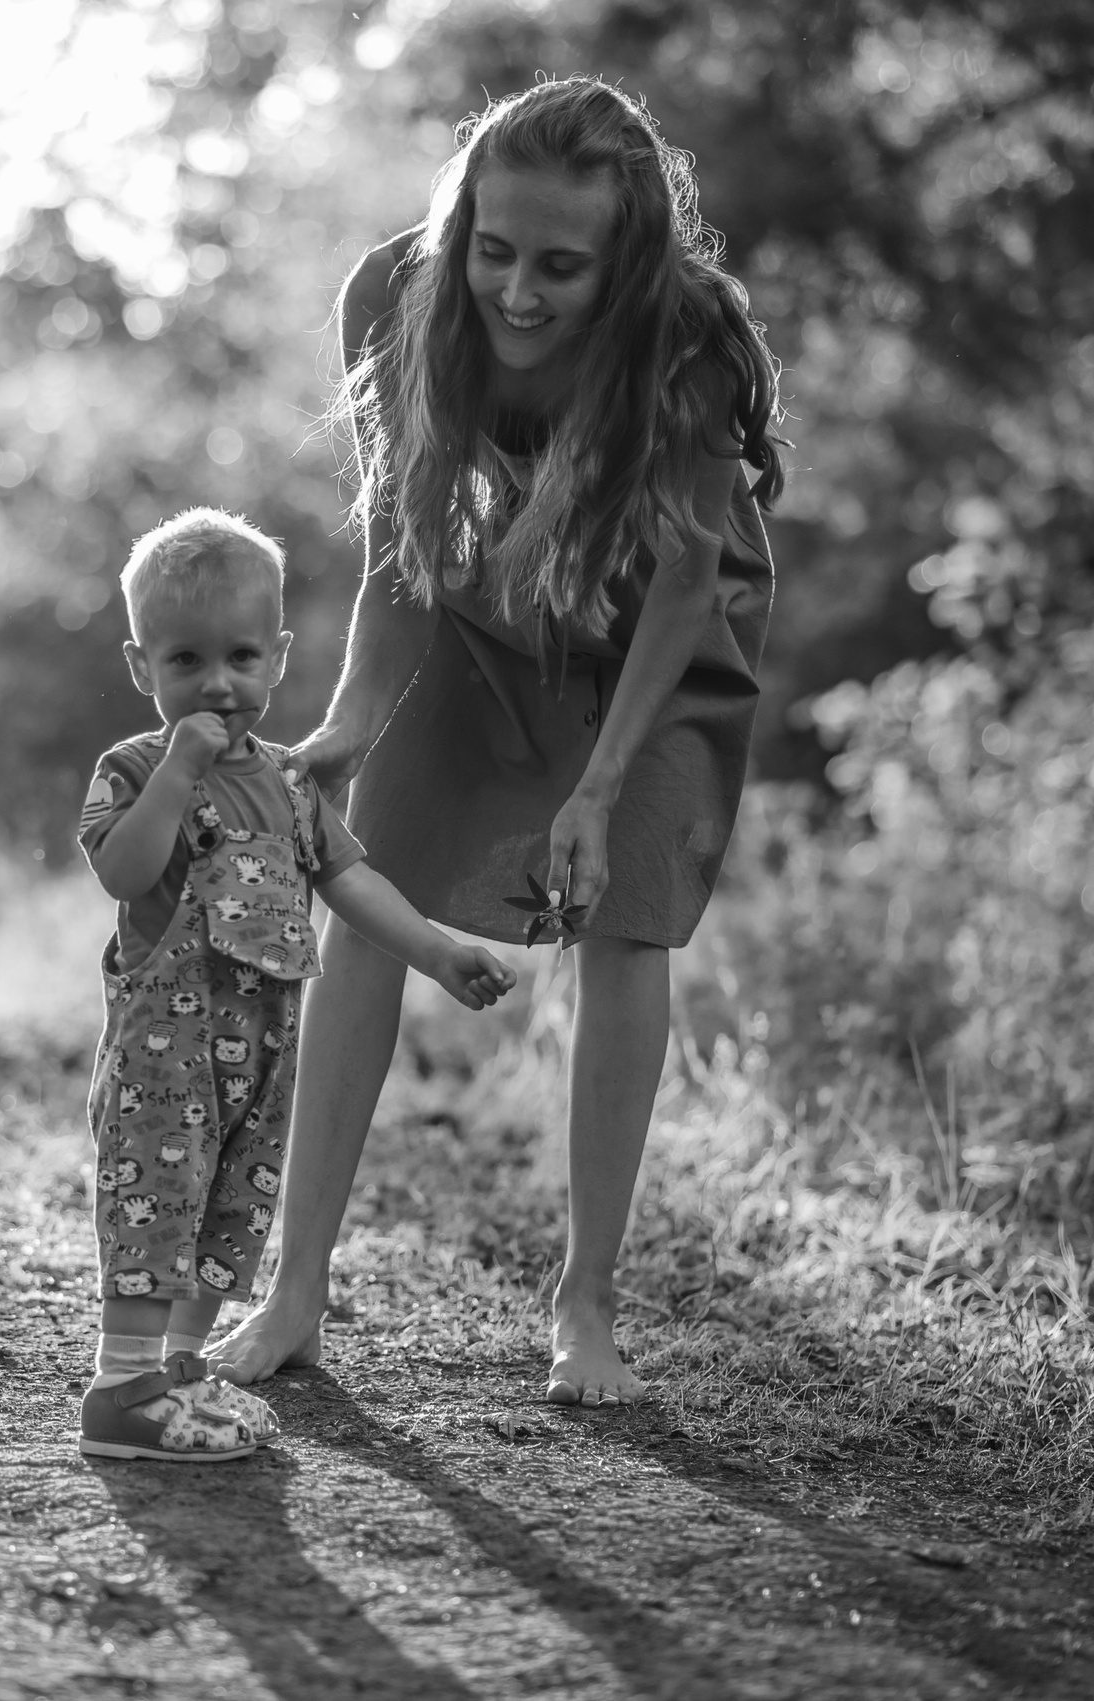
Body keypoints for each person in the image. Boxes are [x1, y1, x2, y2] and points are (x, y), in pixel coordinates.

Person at [213, 79, 783, 1406]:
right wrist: (347, 729)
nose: (518, 293)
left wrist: (593, 792)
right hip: (493, 593)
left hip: (660, 626)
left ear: (626, 262)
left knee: (623, 920)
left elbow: (687, 581)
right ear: (460, 222)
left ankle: (586, 1306)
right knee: (373, 893)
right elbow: (408, 548)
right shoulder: (396, 302)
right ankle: (297, 1287)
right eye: (495, 249)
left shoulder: (682, 339)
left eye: (561, 266)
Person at [76, 509, 517, 1462]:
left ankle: (179, 1376)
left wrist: (437, 951)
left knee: (226, 1213)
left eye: (240, 657)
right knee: (157, 1203)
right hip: (164, 1066)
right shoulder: (135, 768)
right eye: (185, 660)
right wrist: (178, 770)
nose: (217, 683)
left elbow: (350, 880)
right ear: (140, 666)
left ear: (277, 658)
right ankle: (119, 1390)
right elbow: (122, 870)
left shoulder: (289, 783)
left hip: (259, 1064)